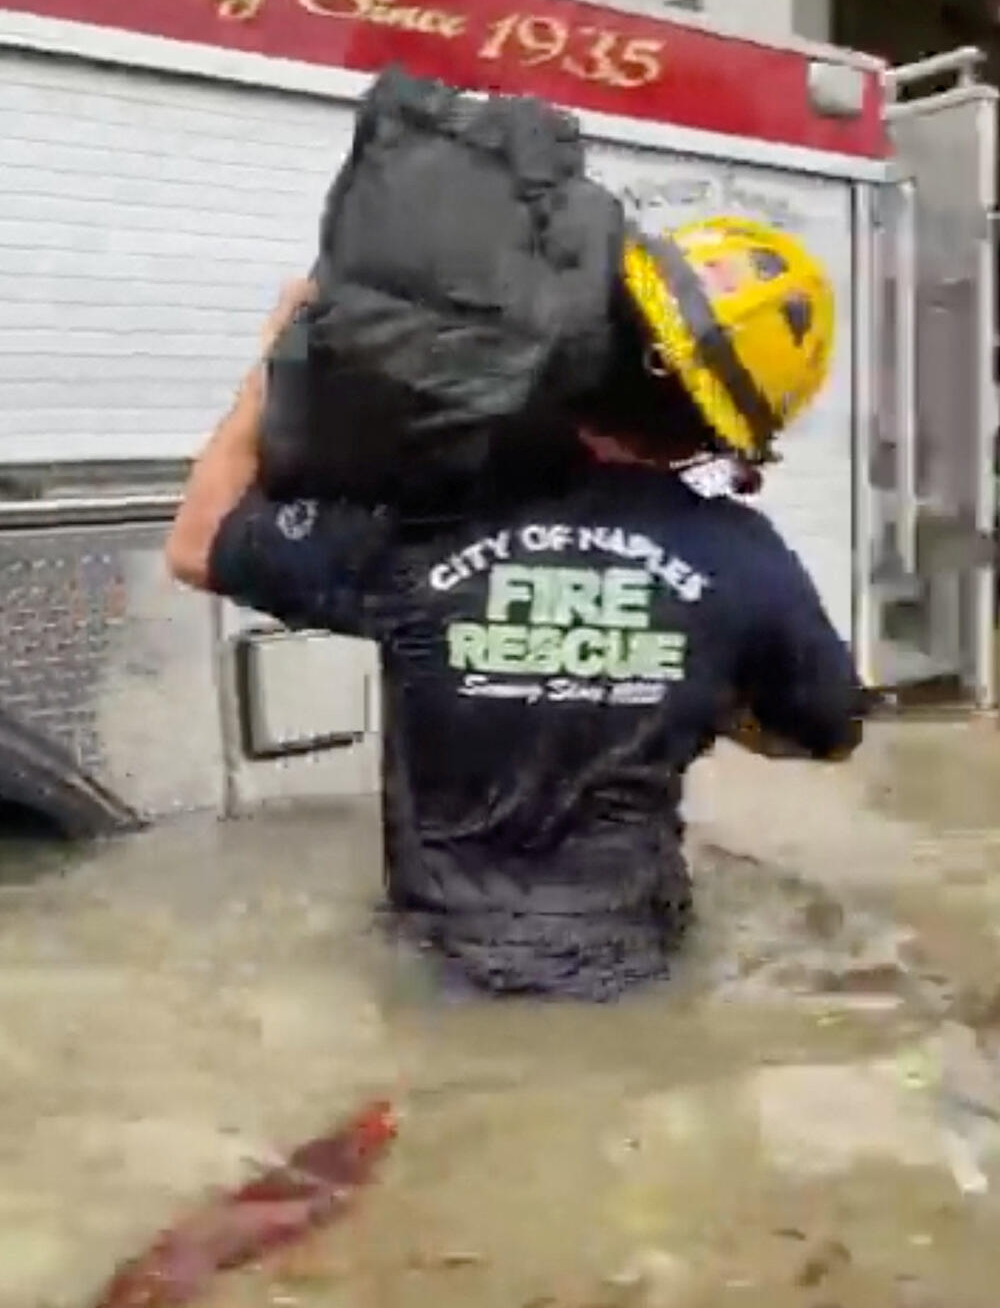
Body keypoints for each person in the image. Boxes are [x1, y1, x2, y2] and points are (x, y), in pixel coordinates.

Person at [167, 216, 868, 1001]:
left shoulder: (420, 517)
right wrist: (681, 683)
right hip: (640, 972)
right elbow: (828, 733)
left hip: (434, 971)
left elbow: (196, 543)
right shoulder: (746, 560)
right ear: (730, 430)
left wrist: (280, 360)